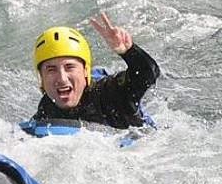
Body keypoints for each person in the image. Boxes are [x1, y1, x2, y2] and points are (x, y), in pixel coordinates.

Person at [31, 11, 160, 129]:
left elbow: (148, 74)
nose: (62, 78)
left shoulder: (111, 93)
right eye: (51, 70)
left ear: (85, 71)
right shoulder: (46, 109)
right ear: (41, 78)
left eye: (69, 67)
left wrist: (128, 51)